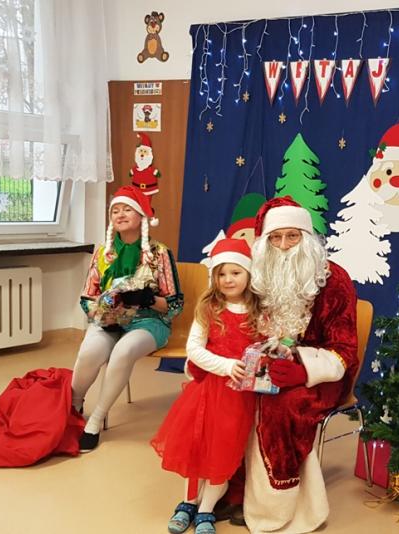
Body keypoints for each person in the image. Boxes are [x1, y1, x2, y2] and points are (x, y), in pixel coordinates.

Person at [231, 196, 358, 533]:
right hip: (268, 364)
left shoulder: (334, 279)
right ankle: (232, 489)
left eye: (292, 236)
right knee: (228, 395)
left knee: (281, 406)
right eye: (275, 237)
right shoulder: (257, 275)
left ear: (307, 238)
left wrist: (303, 370)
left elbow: (344, 350)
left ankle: (276, 508)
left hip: (322, 374)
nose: (284, 245)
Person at [151, 238, 263, 534]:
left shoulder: (259, 311)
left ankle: (206, 510)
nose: (228, 279)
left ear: (249, 273)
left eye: (235, 272)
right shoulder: (209, 308)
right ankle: (187, 503)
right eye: (221, 273)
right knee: (196, 449)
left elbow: (264, 349)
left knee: (223, 454)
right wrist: (226, 365)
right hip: (206, 393)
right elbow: (194, 350)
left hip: (238, 399)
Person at [72, 185, 183, 451]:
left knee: (123, 351)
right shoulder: (103, 253)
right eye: (115, 210)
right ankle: (74, 406)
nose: (120, 214)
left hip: (149, 322)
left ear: (142, 215)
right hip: (108, 322)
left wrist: (148, 300)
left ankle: (95, 420)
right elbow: (86, 298)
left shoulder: (159, 253)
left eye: (127, 209)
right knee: (89, 351)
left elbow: (175, 304)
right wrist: (101, 312)